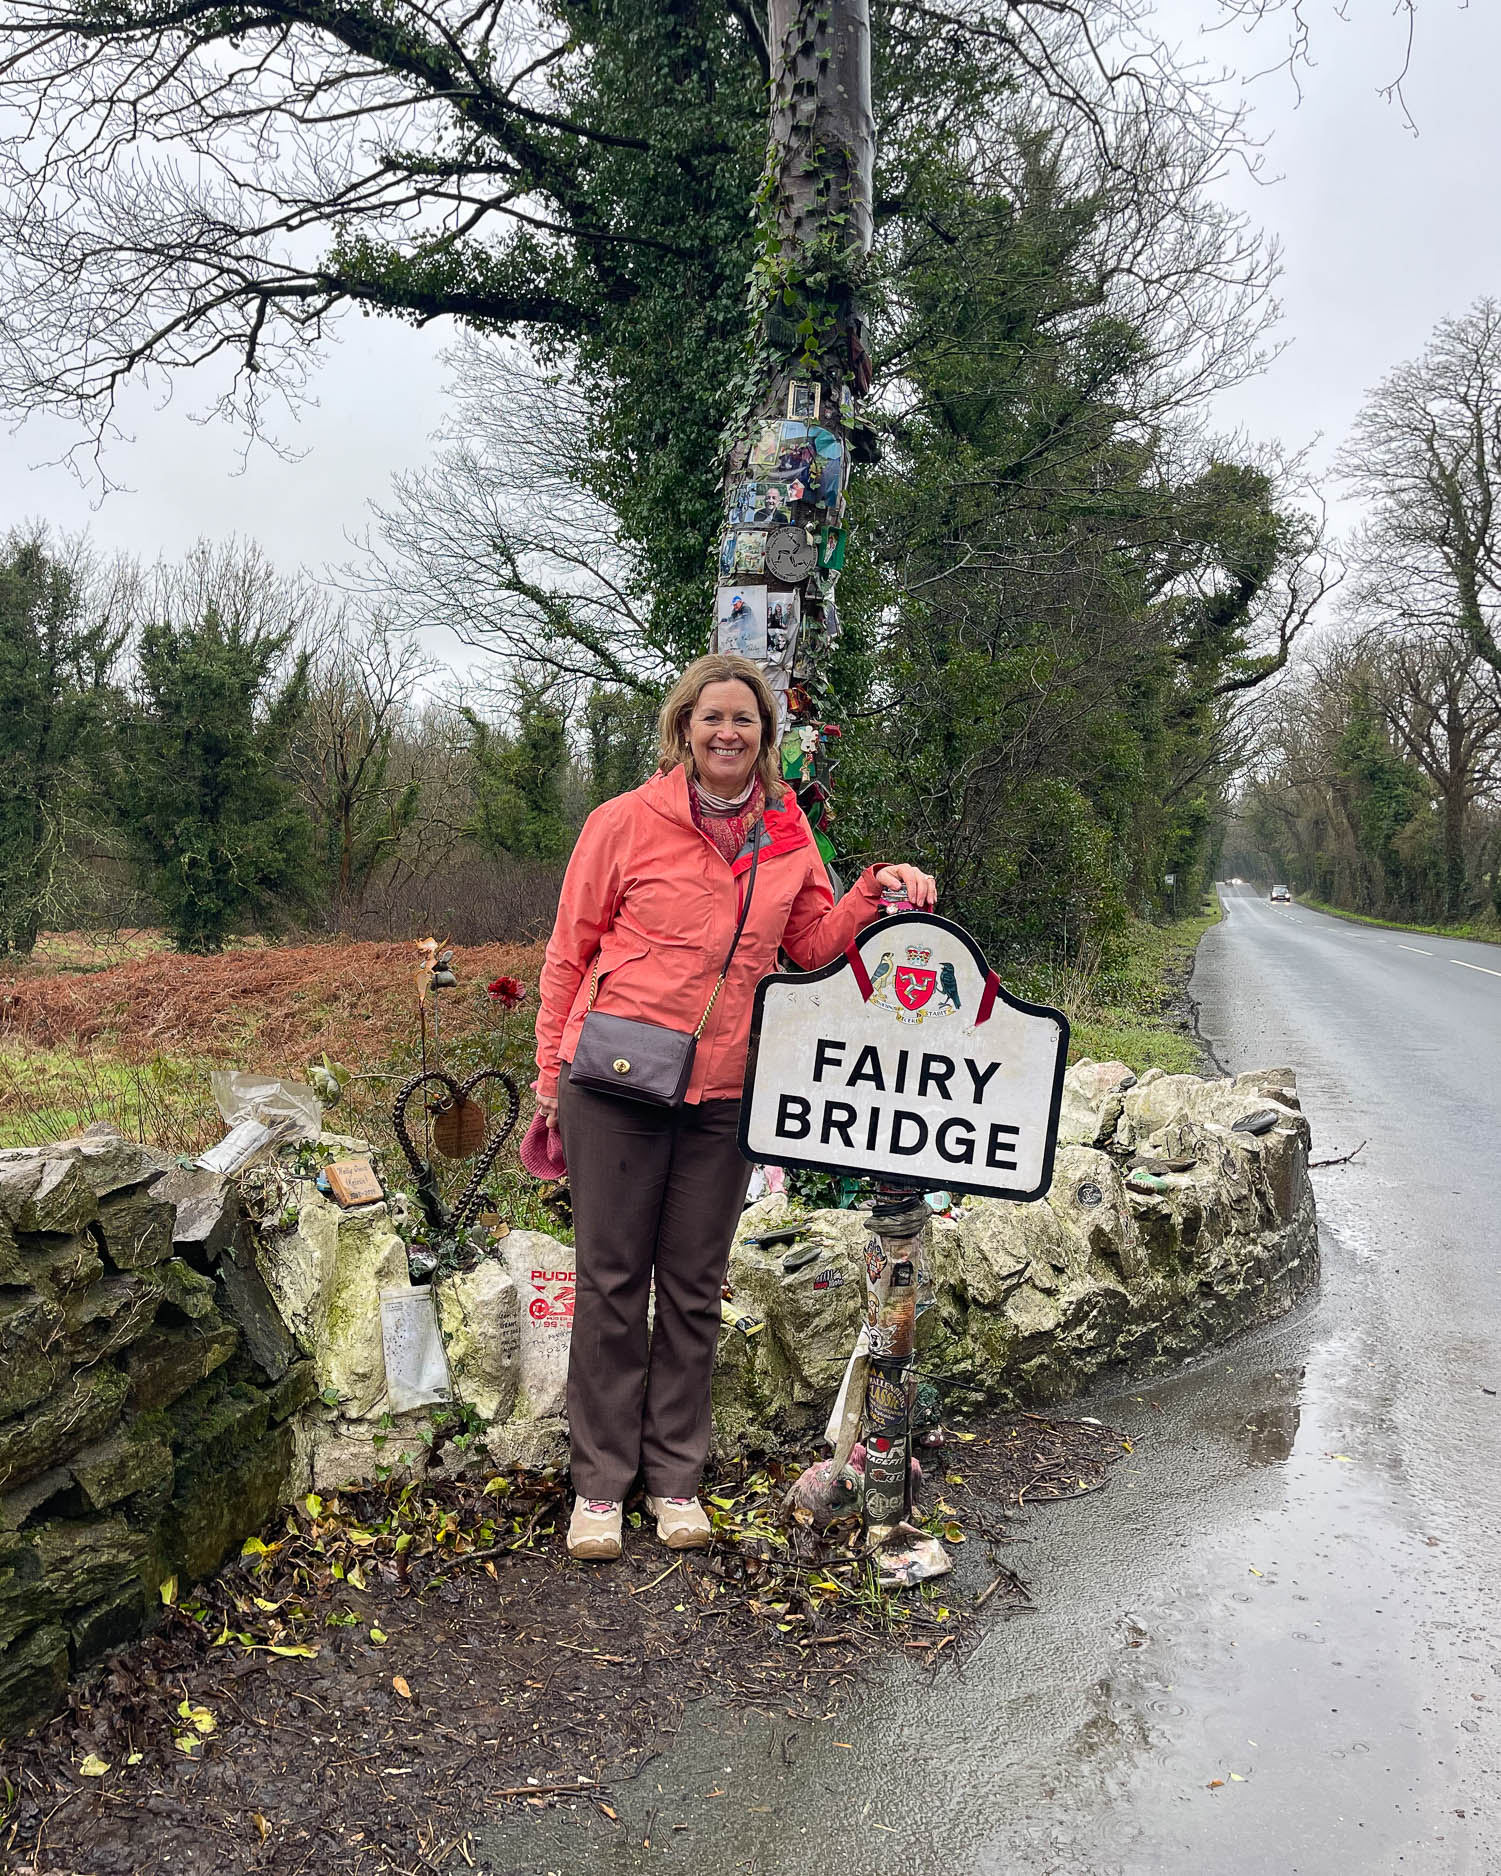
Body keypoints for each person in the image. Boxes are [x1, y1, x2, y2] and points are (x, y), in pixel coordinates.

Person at [532, 653, 936, 1561]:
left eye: (745, 722)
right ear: (684, 728)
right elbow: (567, 952)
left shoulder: (788, 837)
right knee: (607, 1285)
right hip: (612, 1083)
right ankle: (599, 1488)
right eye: (712, 718)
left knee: (692, 1291)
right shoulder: (624, 822)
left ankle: (675, 1477)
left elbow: (813, 946)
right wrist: (549, 1074)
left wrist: (873, 891)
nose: (727, 734)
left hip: (723, 1095)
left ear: (765, 739)